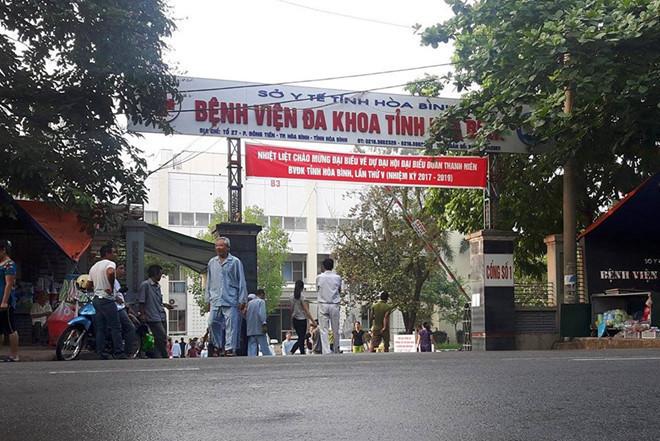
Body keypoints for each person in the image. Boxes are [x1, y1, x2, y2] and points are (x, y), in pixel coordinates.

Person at [205, 237, 247, 357]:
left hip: (231, 298)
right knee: (212, 322)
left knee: (231, 325)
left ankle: (229, 348)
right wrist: (207, 299)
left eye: (221, 246)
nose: (218, 248)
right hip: (215, 298)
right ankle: (218, 345)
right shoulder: (212, 262)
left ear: (227, 248)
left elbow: (241, 281)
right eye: (216, 246)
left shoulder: (235, 262)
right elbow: (209, 281)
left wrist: (242, 299)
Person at [88, 243, 124, 359]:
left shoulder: (94, 267)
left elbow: (89, 284)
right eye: (113, 252)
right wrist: (110, 286)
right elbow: (110, 272)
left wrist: (95, 288)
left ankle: (101, 352)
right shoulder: (110, 263)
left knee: (100, 328)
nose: (115, 255)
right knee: (115, 327)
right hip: (107, 299)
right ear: (107, 253)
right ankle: (119, 352)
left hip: (96, 300)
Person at [137, 265, 173, 359]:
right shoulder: (145, 285)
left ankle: (157, 356)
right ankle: (164, 355)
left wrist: (165, 305)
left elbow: (158, 301)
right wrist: (142, 314)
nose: (161, 276)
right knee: (161, 336)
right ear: (155, 274)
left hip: (161, 314)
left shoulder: (158, 286)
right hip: (152, 316)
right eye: (160, 274)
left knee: (160, 338)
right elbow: (141, 301)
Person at [316, 257, 342, 354]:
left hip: (323, 304)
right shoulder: (337, 278)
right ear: (332, 266)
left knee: (324, 329)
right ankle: (336, 348)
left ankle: (326, 350)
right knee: (335, 328)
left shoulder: (319, 277)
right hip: (334, 304)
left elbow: (317, 290)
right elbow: (339, 290)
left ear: (323, 266)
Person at [0, 240, 19, 361]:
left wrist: (4, 301)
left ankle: (14, 355)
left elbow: (9, 284)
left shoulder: (9, 265)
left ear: (3, 250)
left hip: (6, 301)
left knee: (10, 328)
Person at [114, 263, 136, 357]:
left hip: (120, 306)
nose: (123, 271)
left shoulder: (116, 281)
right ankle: (127, 352)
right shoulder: (112, 280)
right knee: (130, 328)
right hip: (117, 308)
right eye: (121, 268)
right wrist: (116, 298)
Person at [290, 280, 314, 355]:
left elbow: (291, 309)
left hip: (295, 319)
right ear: (302, 288)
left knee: (300, 337)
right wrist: (313, 321)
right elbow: (306, 311)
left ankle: (302, 352)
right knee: (302, 337)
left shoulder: (291, 297)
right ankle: (293, 350)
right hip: (302, 320)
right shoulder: (302, 297)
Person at [246, 291, 272, 356]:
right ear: (262, 294)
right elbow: (262, 313)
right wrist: (264, 323)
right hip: (259, 327)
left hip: (250, 328)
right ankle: (268, 359)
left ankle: (251, 359)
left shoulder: (249, 303)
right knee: (264, 347)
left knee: (252, 347)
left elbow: (245, 315)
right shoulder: (261, 302)